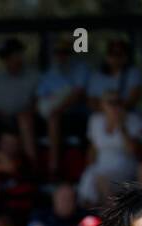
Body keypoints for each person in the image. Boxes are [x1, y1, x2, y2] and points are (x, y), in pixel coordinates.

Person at [36, 36, 92, 177]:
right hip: (52, 115)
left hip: (78, 115)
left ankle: (53, 167)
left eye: (64, 51)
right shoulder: (51, 72)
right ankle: (37, 168)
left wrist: (57, 108)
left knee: (54, 117)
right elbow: (40, 97)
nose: (61, 55)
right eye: (57, 52)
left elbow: (78, 94)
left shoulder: (80, 67)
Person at [78, 91, 142, 205]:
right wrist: (89, 166)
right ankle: (87, 216)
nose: (115, 106)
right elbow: (93, 148)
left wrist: (121, 126)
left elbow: (133, 150)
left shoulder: (132, 120)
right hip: (101, 166)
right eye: (111, 102)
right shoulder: (95, 120)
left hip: (124, 168)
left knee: (101, 179)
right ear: (102, 105)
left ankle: (110, 214)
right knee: (88, 177)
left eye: (119, 102)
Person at [0, 38, 38, 158]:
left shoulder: (34, 77)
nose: (7, 60)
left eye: (10, 55)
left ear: (20, 55)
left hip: (27, 121)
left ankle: (32, 167)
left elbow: (39, 102)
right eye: (4, 57)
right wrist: (1, 115)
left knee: (24, 121)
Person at [85, 39, 142, 113]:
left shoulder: (133, 73)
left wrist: (115, 112)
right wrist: (107, 112)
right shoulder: (96, 76)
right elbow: (91, 101)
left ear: (126, 57)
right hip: (101, 115)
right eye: (111, 53)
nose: (115, 57)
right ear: (106, 56)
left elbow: (134, 98)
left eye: (118, 54)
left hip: (127, 114)